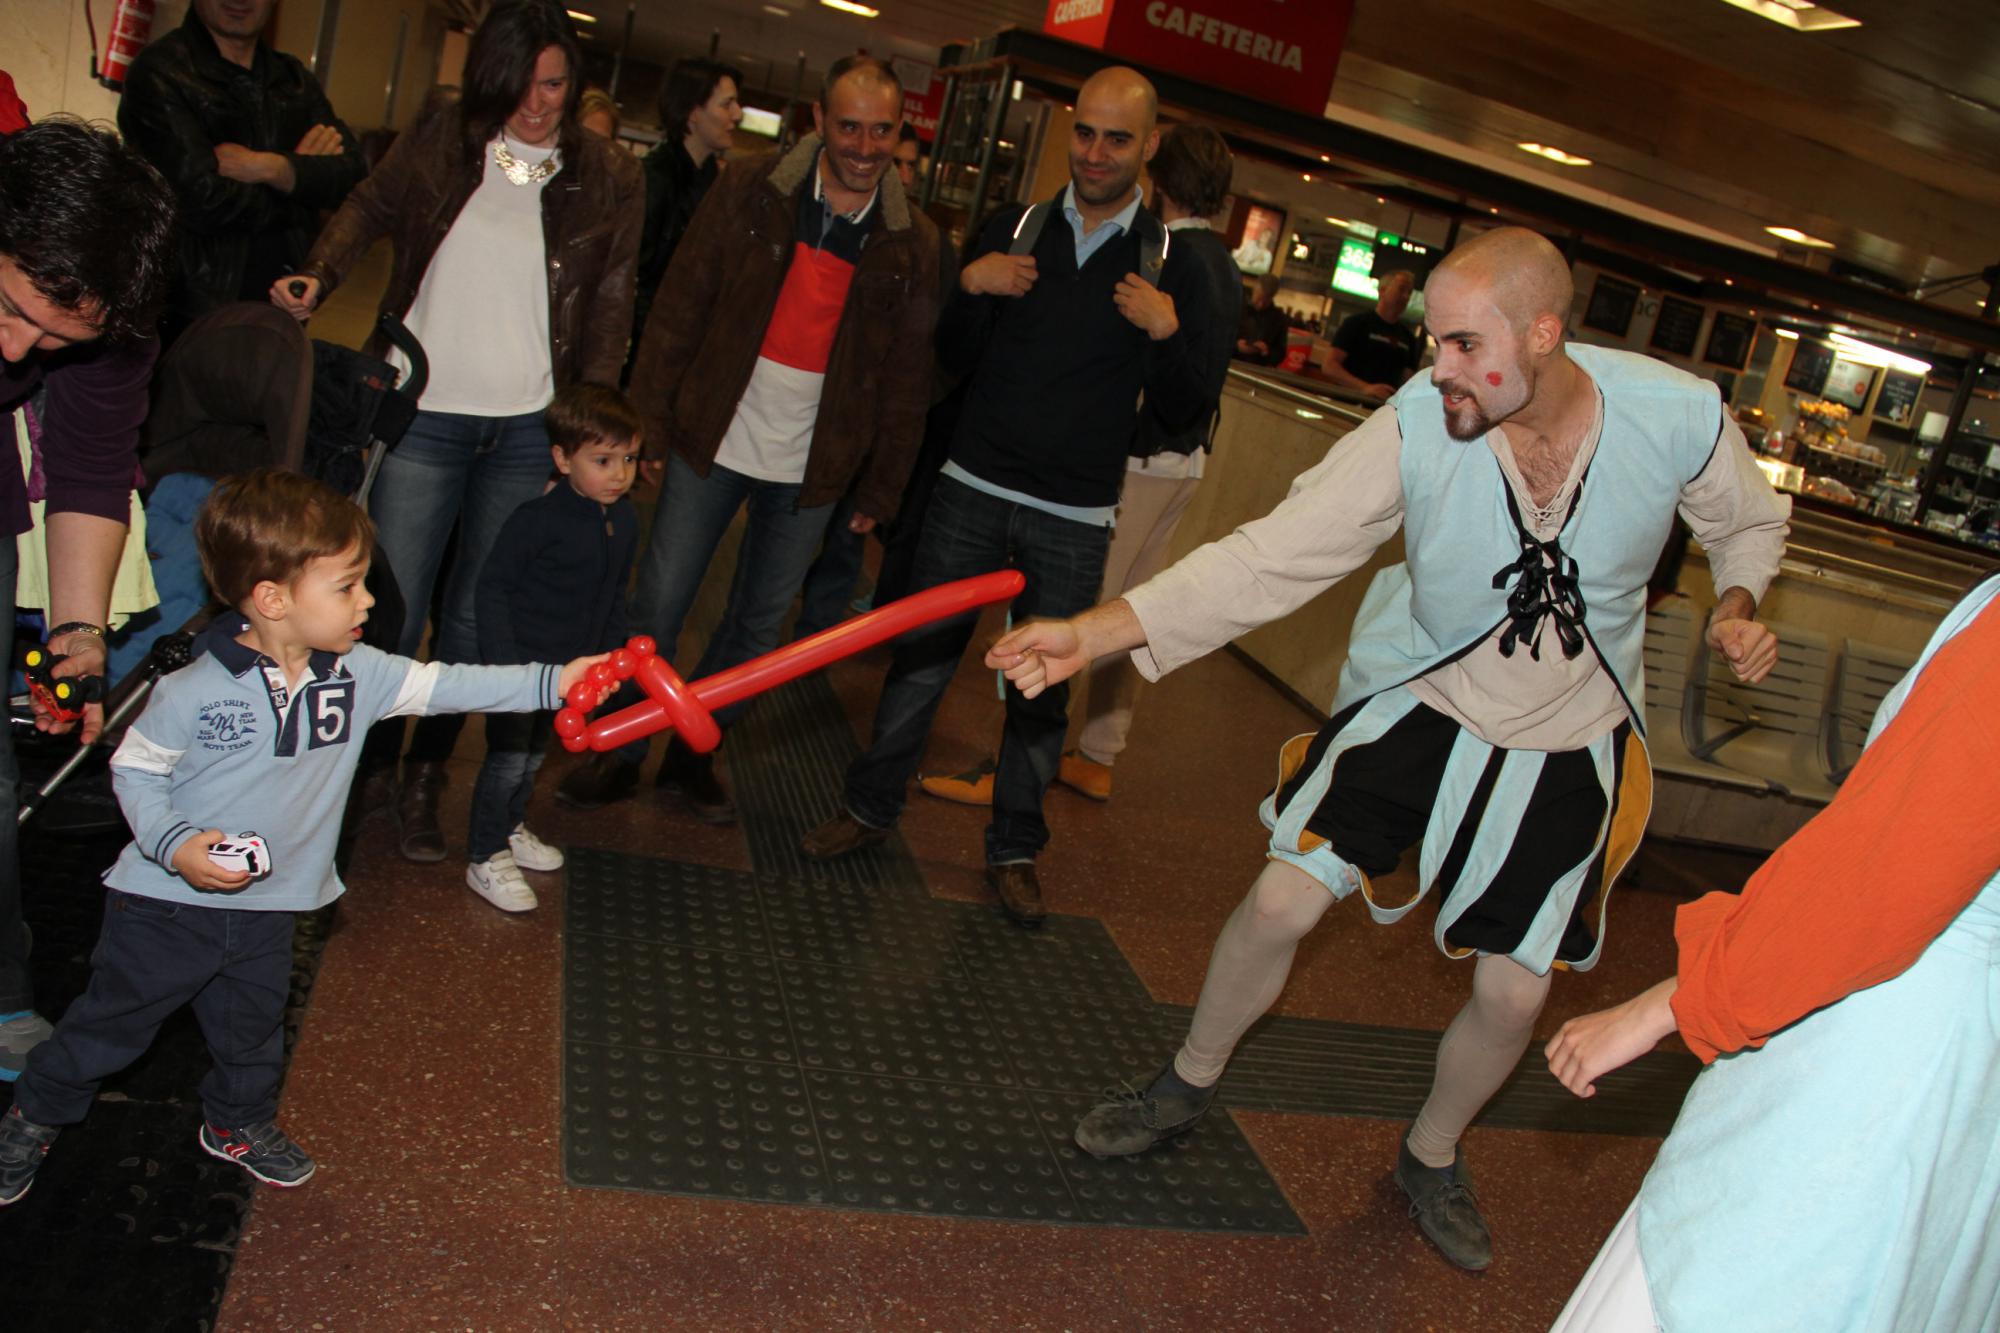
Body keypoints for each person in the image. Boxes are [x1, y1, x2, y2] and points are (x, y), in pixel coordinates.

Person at [984, 226, 1791, 1268]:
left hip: (1571, 731)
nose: (1438, 367)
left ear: (1542, 334)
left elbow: (1746, 522)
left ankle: (1430, 1151)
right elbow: (1272, 556)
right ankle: (1184, 1081)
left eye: (1464, 345)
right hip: (1428, 694)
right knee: (1279, 900)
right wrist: (1093, 633)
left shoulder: (1674, 413)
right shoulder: (1418, 423)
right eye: (1433, 342)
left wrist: (1737, 602)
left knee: (1513, 991)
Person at [0, 470, 605, 1206]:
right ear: (273, 599)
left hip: (271, 906)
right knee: (111, 1027)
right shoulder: (191, 690)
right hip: (164, 908)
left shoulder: (360, 675)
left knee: (253, 1033)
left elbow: (452, 685)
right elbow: (135, 771)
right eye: (348, 586)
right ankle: (35, 1114)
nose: (368, 601)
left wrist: (555, 680)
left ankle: (236, 1123)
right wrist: (176, 843)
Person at [796, 67, 1219, 926]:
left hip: (1075, 513)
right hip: (973, 485)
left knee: (1041, 688)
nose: (1095, 153)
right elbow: (952, 357)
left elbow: (1184, 411)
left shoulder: (1170, 262)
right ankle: (870, 806)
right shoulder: (1018, 227)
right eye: (1085, 133)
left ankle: (1015, 849)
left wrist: (1170, 332)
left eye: (1117, 139)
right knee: (921, 658)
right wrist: (971, 286)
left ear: (1148, 145)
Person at [1545, 573, 2000, 1332]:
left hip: (1893, 1052)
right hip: (1973, 1084)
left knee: (1746, 1276)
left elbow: (1883, 874)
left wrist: (1668, 1004)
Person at [274, 0, 643, 865]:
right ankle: (363, 773)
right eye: (519, 86)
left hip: (528, 427)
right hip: (423, 413)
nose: (537, 104)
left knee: (480, 622)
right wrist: (318, 273)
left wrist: (586, 431)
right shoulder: (444, 135)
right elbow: (368, 204)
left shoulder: (609, 175)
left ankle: (425, 779)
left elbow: (611, 305)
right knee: (387, 613)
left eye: (554, 84)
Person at [556, 55, 941, 822]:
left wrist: (882, 485)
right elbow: (680, 305)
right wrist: (646, 423)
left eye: (881, 130)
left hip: (813, 468)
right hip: (712, 436)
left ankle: (694, 752)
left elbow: (907, 376)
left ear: (900, 130)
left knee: (759, 627)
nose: (865, 146)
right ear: (818, 121)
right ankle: (620, 749)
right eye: (849, 127)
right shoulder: (750, 189)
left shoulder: (913, 242)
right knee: (658, 604)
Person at [918, 122, 1242, 807]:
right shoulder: (1223, 262)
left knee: (1068, 622)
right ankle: (1098, 752)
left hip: (1136, 464)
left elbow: (1177, 380)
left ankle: (1013, 768)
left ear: (1157, 168)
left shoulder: (1167, 257)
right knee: (1125, 612)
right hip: (1184, 465)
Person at [0, 119, 177, 1082]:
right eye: (9, 308)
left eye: (55, 341)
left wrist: (78, 631)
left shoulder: (112, 327)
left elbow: (88, 466)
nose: (18, 348)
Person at [464, 385, 639, 912]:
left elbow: (614, 593)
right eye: (602, 460)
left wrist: (613, 658)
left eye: (630, 459)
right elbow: (492, 588)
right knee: (507, 760)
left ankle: (510, 826)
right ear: (562, 459)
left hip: (571, 673)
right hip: (522, 668)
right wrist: (505, 668)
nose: (619, 474)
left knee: (534, 756)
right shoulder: (536, 519)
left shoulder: (625, 519)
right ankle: (484, 853)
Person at [118, 0, 364, 340]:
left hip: (282, 305)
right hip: (188, 312)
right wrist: (301, 185)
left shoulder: (293, 80)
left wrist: (269, 167)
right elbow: (200, 201)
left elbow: (353, 176)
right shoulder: (161, 73)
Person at [624, 58, 742, 384]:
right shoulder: (653, 179)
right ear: (693, 112)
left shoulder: (716, 183)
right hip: (647, 355)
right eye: (727, 104)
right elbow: (634, 277)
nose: (737, 114)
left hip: (684, 352)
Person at [1321, 268, 1422, 400]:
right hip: (1348, 403)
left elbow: (1408, 380)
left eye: (1409, 292)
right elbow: (1329, 366)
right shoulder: (1356, 324)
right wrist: (1365, 388)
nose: (1406, 297)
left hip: (1383, 409)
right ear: (1382, 291)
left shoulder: (1408, 338)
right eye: (1401, 289)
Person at [1234, 275, 1289, 366]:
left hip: (1257, 368)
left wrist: (1267, 351)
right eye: (1259, 299)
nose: (1261, 305)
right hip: (1232, 363)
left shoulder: (1279, 318)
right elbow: (1219, 336)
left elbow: (1281, 352)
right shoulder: (1236, 307)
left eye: (1266, 301)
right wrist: (1236, 346)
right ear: (1254, 290)